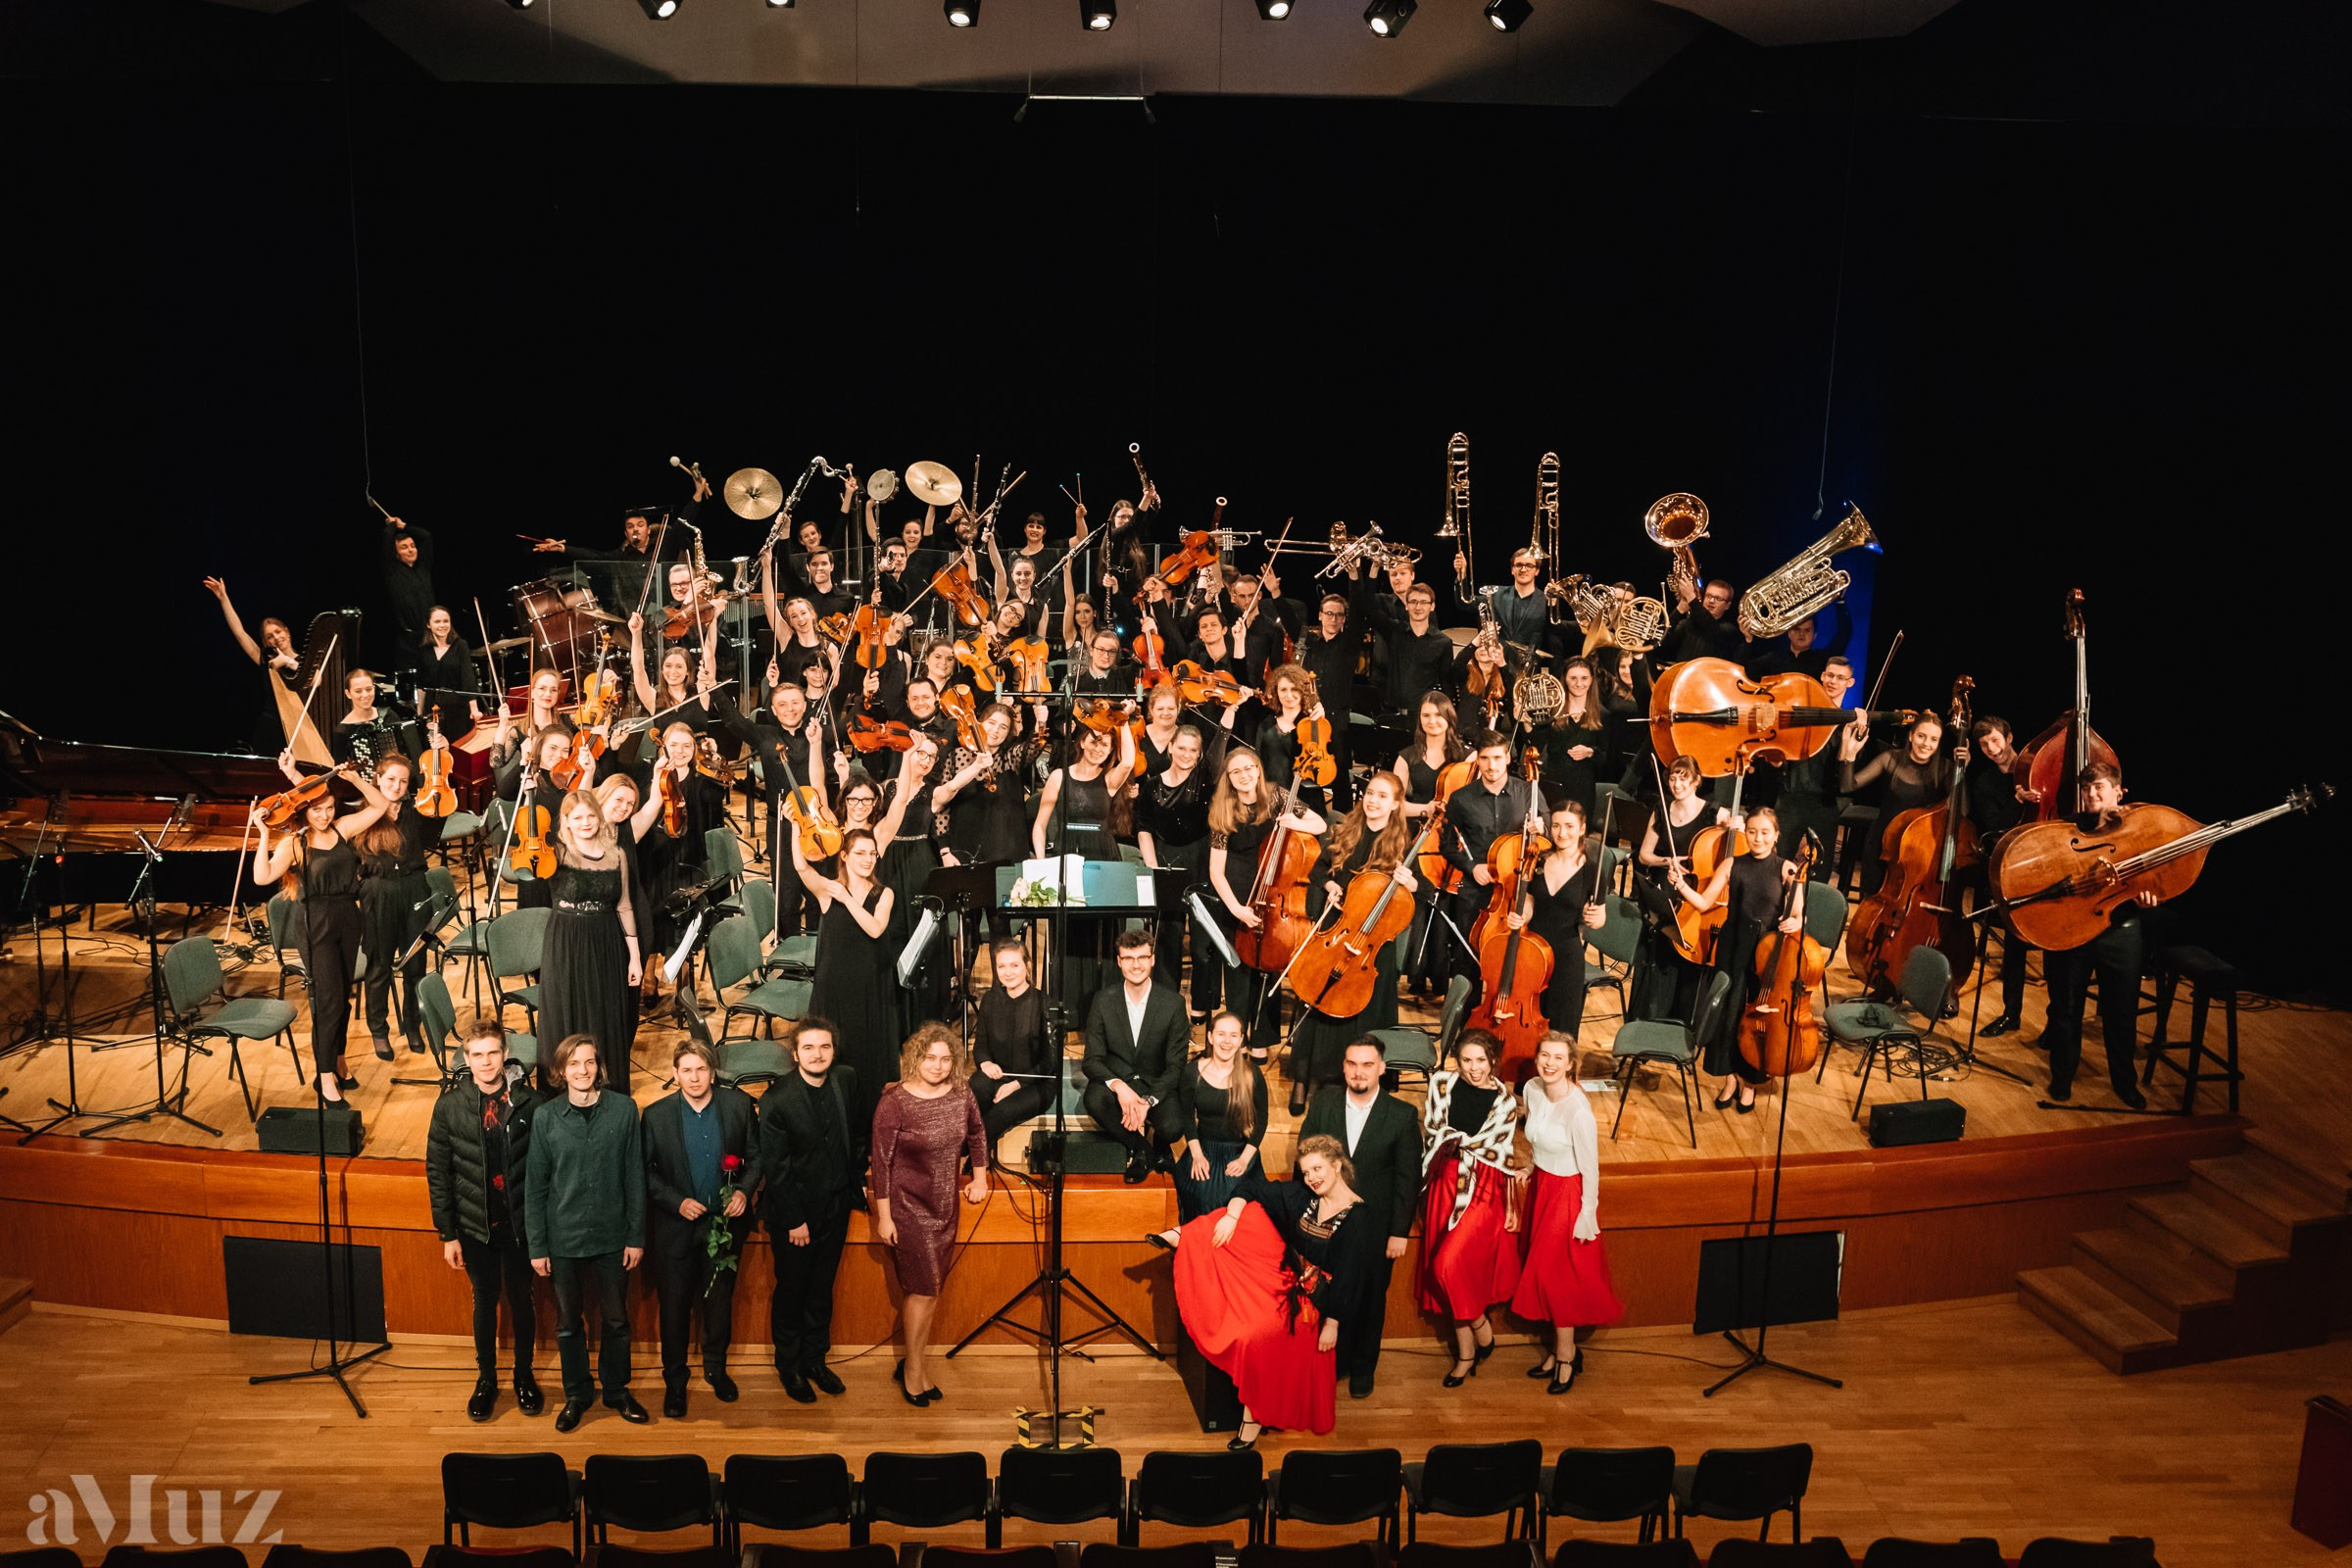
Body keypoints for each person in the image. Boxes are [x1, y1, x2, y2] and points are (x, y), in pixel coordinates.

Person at [1170, 1134, 1379, 1446]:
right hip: (1287, 1277)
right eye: (1307, 1172)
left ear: (1337, 1166)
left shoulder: (1358, 1217)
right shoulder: (1303, 1194)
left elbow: (1350, 1279)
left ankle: (1251, 1419)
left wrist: (1332, 1325)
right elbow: (1249, 1187)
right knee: (1248, 1215)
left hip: (1318, 1301)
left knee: (1254, 1334)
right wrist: (1232, 1214)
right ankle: (1185, 1236)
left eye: (1318, 1169)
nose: (1312, 1178)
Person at [425, 1012, 545, 1423]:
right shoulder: (449, 1107)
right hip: (476, 1226)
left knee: (522, 1301)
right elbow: (438, 1172)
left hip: (520, 1225)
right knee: (484, 1302)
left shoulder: (531, 1102)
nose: (486, 1062)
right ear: (466, 1058)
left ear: (505, 1054)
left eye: (493, 1053)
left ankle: (524, 1377)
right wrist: (447, 1234)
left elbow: (545, 1170)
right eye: (477, 1054)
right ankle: (487, 1380)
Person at [526, 1034, 649, 1431]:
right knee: (567, 1323)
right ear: (561, 1071)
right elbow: (536, 1187)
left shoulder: (625, 1111)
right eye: (574, 1064)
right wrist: (538, 1246)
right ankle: (577, 1394)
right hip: (564, 1239)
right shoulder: (546, 1118)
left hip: (613, 1236)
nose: (583, 1070)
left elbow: (635, 1177)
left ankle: (616, 1391)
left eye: (589, 1063)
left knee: (616, 1320)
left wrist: (636, 1236)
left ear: (599, 1068)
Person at [251, 759, 386, 1102]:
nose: (324, 815)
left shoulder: (342, 829)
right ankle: (324, 1076)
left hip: (347, 917)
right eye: (317, 811)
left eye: (329, 808)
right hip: (315, 922)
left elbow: (381, 804)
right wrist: (264, 834)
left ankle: (338, 1060)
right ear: (305, 813)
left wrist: (355, 779)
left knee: (344, 997)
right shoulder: (294, 844)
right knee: (328, 1000)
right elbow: (262, 877)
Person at [871, 1022, 991, 1406]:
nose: (938, 1066)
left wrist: (980, 1176)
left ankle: (915, 1363)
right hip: (908, 1206)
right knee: (922, 1291)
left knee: (932, 1291)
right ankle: (914, 1373)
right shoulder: (895, 1102)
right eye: (930, 1058)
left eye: (945, 1059)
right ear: (915, 1059)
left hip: (946, 1205)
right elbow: (881, 1164)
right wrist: (884, 1217)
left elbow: (977, 1133)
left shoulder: (961, 1094)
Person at [1297, 1038, 1422, 1398]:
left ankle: (1363, 1367)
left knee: (1369, 1299)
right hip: (1327, 1222)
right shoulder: (1324, 1103)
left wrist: (1399, 1231)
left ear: (1382, 1068)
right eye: (1352, 1064)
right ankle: (1332, 1364)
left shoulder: (1401, 1115)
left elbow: (1407, 1178)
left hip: (1375, 1227)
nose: (1359, 1071)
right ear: (1344, 1067)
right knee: (1327, 1292)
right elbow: (1304, 1159)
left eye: (1367, 1064)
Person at [1287, 770, 1418, 1114]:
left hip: (1374, 945)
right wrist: (1330, 886)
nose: (1373, 800)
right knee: (1319, 995)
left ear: (1395, 805)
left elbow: (1426, 893)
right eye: (1370, 793)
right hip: (1340, 928)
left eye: (1382, 796)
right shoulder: (1344, 828)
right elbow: (1318, 870)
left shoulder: (1405, 843)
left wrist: (1413, 884)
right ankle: (1304, 1078)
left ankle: (1355, 1081)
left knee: (1363, 1009)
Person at [642, 1041, 760, 1417]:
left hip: (722, 1228)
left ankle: (716, 1369)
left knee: (719, 1304)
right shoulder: (656, 1115)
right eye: (686, 1071)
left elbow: (757, 1157)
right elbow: (645, 1172)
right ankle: (675, 1381)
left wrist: (743, 1190)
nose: (694, 1078)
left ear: (713, 1071)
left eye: (701, 1070)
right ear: (675, 1074)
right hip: (674, 1230)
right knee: (674, 1308)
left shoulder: (739, 1106)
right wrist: (675, 1201)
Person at [1666, 806, 1801, 1113]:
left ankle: (1750, 1084)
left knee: (1752, 1018)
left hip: (1763, 951)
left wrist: (1797, 921)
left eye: (1765, 832)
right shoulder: (1732, 863)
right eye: (1752, 831)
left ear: (1776, 835)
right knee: (1727, 1013)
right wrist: (1681, 885)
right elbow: (1703, 902)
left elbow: (1797, 914)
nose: (1758, 838)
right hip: (1731, 943)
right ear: (1745, 832)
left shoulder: (1787, 868)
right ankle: (1728, 1078)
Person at [758, 1017, 865, 1403]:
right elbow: (777, 1167)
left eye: (824, 1047)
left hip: (836, 1205)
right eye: (808, 1048)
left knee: (822, 1289)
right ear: (795, 1053)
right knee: (792, 1291)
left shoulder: (845, 1079)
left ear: (834, 1051)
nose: (817, 1054)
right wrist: (794, 1220)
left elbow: (854, 1132)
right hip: (796, 1216)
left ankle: (815, 1360)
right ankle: (789, 1367)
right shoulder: (776, 1099)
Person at [1508, 1034, 1623, 1393]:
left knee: (1557, 1278)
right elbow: (1538, 1138)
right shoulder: (1530, 1088)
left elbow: (1591, 1168)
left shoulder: (1579, 1112)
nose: (1550, 1063)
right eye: (1545, 1055)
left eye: (1559, 1058)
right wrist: (1531, 1168)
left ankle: (1566, 1357)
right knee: (1542, 1272)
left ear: (1571, 1065)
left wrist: (1587, 1212)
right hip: (1543, 1184)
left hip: (1569, 1194)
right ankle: (1559, 1349)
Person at [2039, 762, 2154, 1108]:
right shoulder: (2070, 828)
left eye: (2099, 787)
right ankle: (2062, 1077)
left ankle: (2124, 1082)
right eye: (2087, 788)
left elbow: (2157, 872)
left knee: (2121, 1011)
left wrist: (2151, 893)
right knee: (2065, 1007)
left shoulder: (2141, 829)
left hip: (2121, 930)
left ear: (2119, 792)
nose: (2091, 794)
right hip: (2074, 927)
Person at [1416, 1029, 1523, 1388]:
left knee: (1449, 1263)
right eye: (1466, 1060)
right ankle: (1472, 1343)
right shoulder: (1441, 1085)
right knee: (1451, 1270)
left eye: (1481, 1060)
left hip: (1482, 1189)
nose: (1474, 1069)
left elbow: (1500, 1153)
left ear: (1493, 1060)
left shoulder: (1505, 1103)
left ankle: (1476, 1332)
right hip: (1443, 1185)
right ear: (1456, 1060)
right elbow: (1433, 1131)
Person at [1206, 745, 1329, 1059]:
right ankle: (1238, 1038)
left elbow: (1320, 824)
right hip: (1236, 895)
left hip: (1274, 893)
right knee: (1237, 972)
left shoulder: (1277, 796)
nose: (1244, 776)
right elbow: (1215, 871)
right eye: (1236, 772)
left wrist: (1291, 823)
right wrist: (1236, 909)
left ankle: (1262, 1039)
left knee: (1269, 966)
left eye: (1249, 768)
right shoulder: (1223, 809)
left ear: (1259, 770)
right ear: (1229, 779)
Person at [535, 789, 643, 1091]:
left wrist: (634, 957)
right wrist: (530, 795)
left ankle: (607, 1094)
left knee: (605, 1015)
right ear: (565, 821)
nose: (586, 822)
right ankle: (561, 1095)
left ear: (599, 816)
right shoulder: (555, 852)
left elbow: (624, 906)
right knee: (563, 1013)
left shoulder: (616, 854)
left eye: (591, 816)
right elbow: (525, 864)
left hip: (606, 941)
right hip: (565, 943)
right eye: (577, 817)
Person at [794, 825, 898, 1134]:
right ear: (844, 855)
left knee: (867, 1058)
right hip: (834, 987)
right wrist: (795, 825)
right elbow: (801, 865)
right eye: (860, 853)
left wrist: (848, 898)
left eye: (872, 854)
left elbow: (876, 929)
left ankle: (866, 1131)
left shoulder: (884, 893)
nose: (867, 860)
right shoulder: (828, 890)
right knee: (834, 1053)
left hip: (868, 987)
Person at [1081, 928, 1192, 1184]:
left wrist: (1147, 1101)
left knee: (1173, 1126)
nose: (1136, 965)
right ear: (1119, 962)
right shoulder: (1102, 1000)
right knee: (1094, 1099)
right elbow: (1092, 1060)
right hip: (1120, 1080)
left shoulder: (1173, 1003)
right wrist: (1120, 1087)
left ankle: (1160, 1144)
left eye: (1142, 958)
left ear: (1153, 959)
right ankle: (1143, 1149)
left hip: (1155, 1083)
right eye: (1129, 959)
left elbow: (1176, 1065)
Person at [1505, 801, 1608, 1066]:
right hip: (1532, 952)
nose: (1562, 833)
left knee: (1562, 1028)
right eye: (1557, 826)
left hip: (1567, 957)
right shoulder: (1537, 860)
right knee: (1529, 1022)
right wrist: (1521, 916)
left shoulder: (1593, 870)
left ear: (1582, 829)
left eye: (1570, 826)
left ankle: (1559, 1088)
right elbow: (1529, 901)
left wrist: (1595, 919)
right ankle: (1524, 1086)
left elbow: (1599, 919)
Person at [353, 748, 441, 1059]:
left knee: (415, 963)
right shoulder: (363, 814)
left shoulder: (416, 811)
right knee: (379, 967)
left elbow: (436, 831)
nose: (396, 786)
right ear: (378, 779)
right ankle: (379, 1031)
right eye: (390, 779)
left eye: (403, 781)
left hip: (416, 889)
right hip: (378, 892)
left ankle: (413, 1025)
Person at [1442, 730, 1548, 985]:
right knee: (1467, 959)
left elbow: (1551, 836)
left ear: (1508, 759)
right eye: (1486, 758)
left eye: (1498, 758)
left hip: (1517, 887)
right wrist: (1470, 866)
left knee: (1514, 961)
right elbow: (1447, 844)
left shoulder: (1528, 792)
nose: (1492, 765)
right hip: (1477, 888)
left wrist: (1542, 828)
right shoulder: (1461, 799)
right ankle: (1464, 1020)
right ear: (1477, 760)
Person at [1964, 714, 2040, 1038]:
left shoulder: (2037, 767)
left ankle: (2054, 1024)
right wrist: (2016, 802)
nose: (1992, 748)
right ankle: (2012, 1012)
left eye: (1996, 740)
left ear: (2009, 737)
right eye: (1984, 745)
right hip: (2012, 863)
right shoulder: (1984, 782)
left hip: (2046, 856)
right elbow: (1992, 826)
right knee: (2014, 942)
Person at [1156, 1010, 1269, 1228]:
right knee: (1200, 1193)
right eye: (1221, 1034)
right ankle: (1195, 1247)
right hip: (1204, 1148)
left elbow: (1262, 1119)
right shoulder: (1193, 1072)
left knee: (1232, 1196)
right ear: (1210, 1037)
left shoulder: (1252, 1074)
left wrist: (1244, 1160)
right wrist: (1197, 1155)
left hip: (1239, 1151)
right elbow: (1187, 1117)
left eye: (1234, 1035)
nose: (1227, 1041)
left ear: (1241, 1040)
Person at [1135, 721, 1215, 1021]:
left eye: (1192, 751)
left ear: (1198, 755)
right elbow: (1144, 828)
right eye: (1181, 748)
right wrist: (1153, 867)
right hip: (1165, 860)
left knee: (1201, 940)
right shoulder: (1152, 785)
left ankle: (1201, 1006)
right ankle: (1167, 1001)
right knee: (1167, 935)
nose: (1185, 754)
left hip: (1201, 862)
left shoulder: (1206, 783)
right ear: (1170, 748)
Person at [1838, 708, 1961, 900]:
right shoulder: (1890, 759)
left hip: (1918, 850)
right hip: (1882, 843)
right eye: (1921, 736)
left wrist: (1961, 772)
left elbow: (1962, 809)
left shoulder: (1945, 768)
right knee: (1871, 900)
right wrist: (1850, 753)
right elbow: (1847, 786)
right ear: (1911, 736)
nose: (1926, 744)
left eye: (1933, 739)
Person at [970, 943, 1053, 1152]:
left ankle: (971, 1152)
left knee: (1003, 1111)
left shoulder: (1044, 1003)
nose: (1008, 973)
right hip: (1000, 1075)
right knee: (976, 1087)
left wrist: (1017, 1084)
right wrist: (986, 1062)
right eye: (1001, 967)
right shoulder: (990, 1000)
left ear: (1028, 965)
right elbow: (980, 1045)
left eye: (1014, 965)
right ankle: (975, 1149)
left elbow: (1049, 1062)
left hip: (1034, 1083)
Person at [379, 513, 438, 657]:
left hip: (430, 634)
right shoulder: (393, 571)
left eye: (412, 546)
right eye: (404, 547)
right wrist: (392, 525)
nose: (411, 549)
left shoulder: (423, 567)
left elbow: (426, 536)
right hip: (408, 639)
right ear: (396, 553)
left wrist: (404, 526)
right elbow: (387, 538)